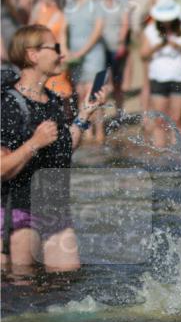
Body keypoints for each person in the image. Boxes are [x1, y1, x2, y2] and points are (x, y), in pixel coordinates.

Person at [1, 24, 109, 272]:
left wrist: (84, 116)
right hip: (18, 213)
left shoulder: (53, 101)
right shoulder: (8, 104)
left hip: (55, 211)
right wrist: (34, 143)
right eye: (56, 47)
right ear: (32, 55)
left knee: (68, 283)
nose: (62, 54)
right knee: (23, 292)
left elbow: (61, 152)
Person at [140, 0, 181, 138]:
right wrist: (157, 46)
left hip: (180, 78)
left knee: (177, 119)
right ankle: (160, 157)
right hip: (159, 79)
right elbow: (143, 54)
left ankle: (179, 157)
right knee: (160, 121)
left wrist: (178, 45)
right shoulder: (151, 29)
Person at [64, 0, 106, 142]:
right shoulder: (71, 4)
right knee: (80, 93)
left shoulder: (96, 4)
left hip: (94, 55)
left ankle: (100, 132)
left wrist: (82, 52)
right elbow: (64, 29)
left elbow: (97, 31)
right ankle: (87, 133)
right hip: (75, 56)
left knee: (94, 93)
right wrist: (65, 49)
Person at [96, 0, 130, 110]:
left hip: (116, 48)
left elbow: (125, 24)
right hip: (101, 49)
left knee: (117, 83)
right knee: (100, 84)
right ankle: (99, 115)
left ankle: (119, 113)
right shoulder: (97, 5)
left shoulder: (121, 4)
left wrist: (122, 43)